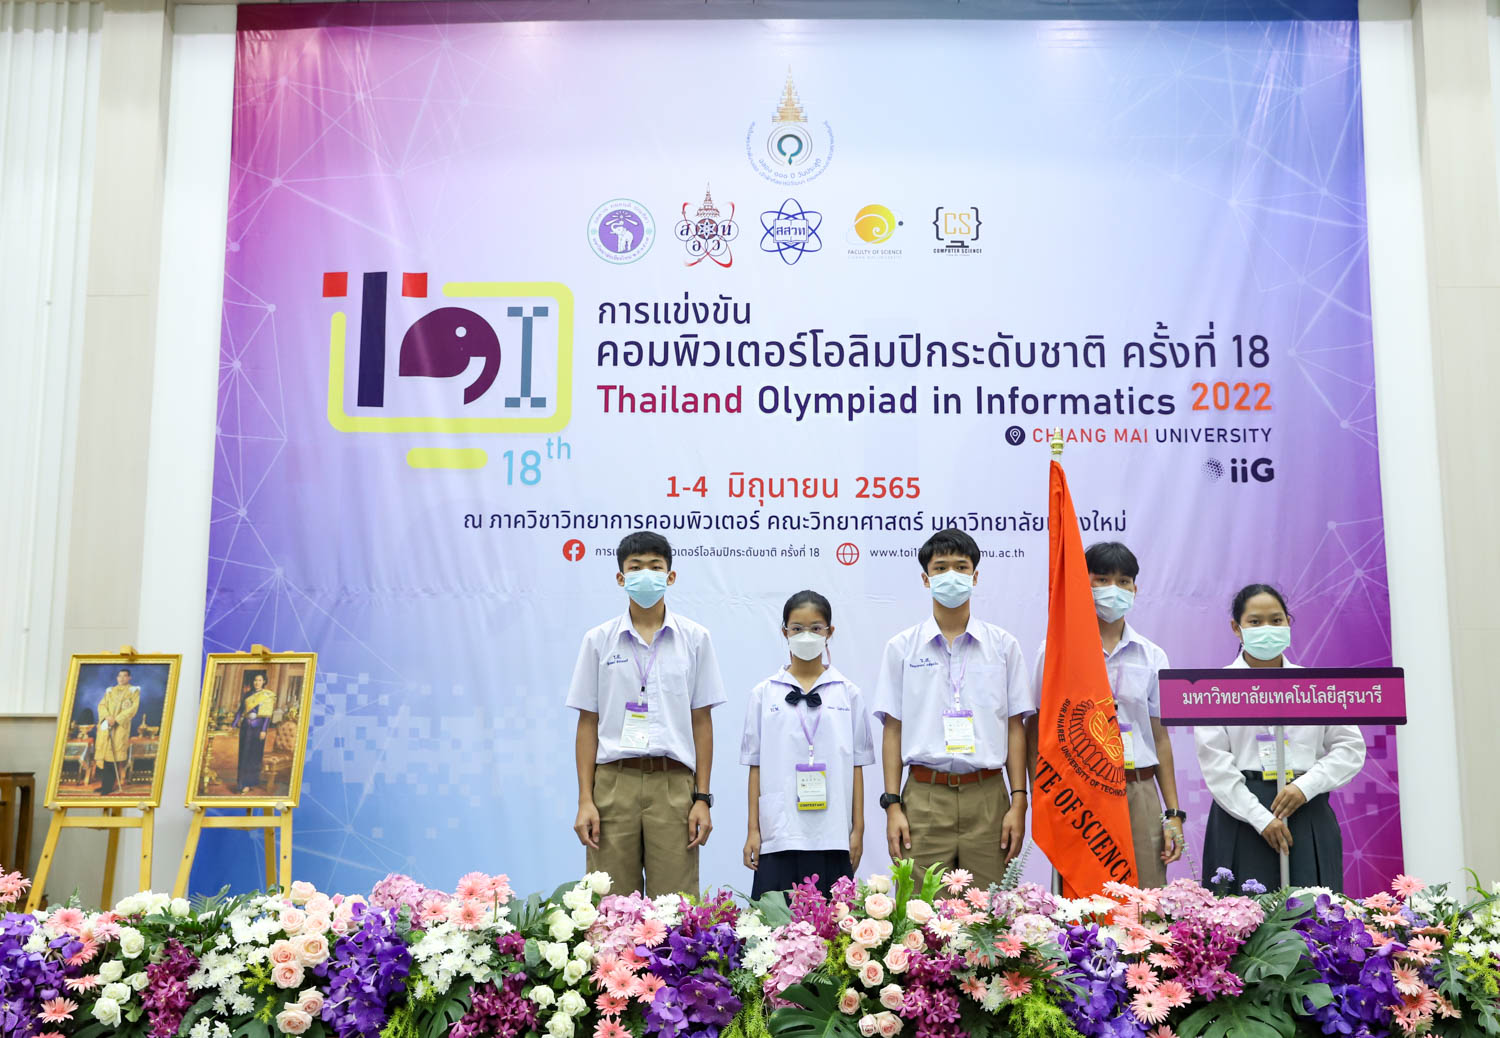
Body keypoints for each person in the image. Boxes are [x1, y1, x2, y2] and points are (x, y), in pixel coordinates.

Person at [568, 531, 725, 896]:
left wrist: (702, 798)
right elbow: (587, 723)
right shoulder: (598, 640)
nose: (646, 575)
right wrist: (585, 799)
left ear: (670, 576)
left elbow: (702, 722)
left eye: (656, 567)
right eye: (635, 567)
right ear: (620, 578)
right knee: (610, 904)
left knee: (674, 904)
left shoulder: (695, 639)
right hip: (613, 782)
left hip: (674, 784)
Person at [875, 528, 1033, 889]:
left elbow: (1015, 727)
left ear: (975, 577)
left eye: (961, 567)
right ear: (925, 578)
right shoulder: (901, 648)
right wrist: (893, 805)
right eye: (940, 567)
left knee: (990, 911)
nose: (951, 576)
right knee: (920, 912)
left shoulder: (1003, 646)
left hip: (988, 796)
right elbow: (893, 730)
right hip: (924, 797)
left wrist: (1019, 801)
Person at [1194, 584, 1366, 892]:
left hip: (1305, 807)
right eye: (1255, 622)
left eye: (1276, 620)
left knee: (1313, 912)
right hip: (1242, 815)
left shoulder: (1315, 686)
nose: (1267, 629)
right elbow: (1216, 766)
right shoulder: (1215, 689)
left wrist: (1305, 786)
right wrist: (1260, 818)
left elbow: (1350, 748)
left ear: (1289, 623)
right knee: (1241, 915)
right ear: (1236, 627)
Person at [1031, 542, 1184, 887]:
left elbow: (1160, 738)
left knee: (1146, 898)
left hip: (1138, 786)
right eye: (1101, 580)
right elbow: (1038, 729)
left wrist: (1173, 813)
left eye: (1123, 581)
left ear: (1135, 589)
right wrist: (1043, 795)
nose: (1112, 590)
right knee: (1084, 899)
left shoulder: (1153, 656)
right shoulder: (1055, 652)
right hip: (1082, 794)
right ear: (1082, 586)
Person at [741, 590, 873, 898]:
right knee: (775, 924)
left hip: (833, 834)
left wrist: (857, 829)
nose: (806, 636)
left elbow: (857, 766)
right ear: (784, 632)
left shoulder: (848, 693)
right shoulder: (764, 694)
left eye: (816, 628)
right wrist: (753, 830)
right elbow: (755, 766)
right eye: (797, 628)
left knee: (834, 922)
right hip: (779, 835)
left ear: (830, 632)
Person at [96, 668, 140, 795]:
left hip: (120, 727)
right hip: (107, 724)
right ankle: (104, 785)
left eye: (124, 676)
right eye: (119, 676)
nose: (121, 678)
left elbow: (133, 708)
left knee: (113, 756)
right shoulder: (110, 691)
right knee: (105, 756)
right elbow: (102, 705)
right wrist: (107, 717)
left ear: (129, 678)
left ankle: (109, 787)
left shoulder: (133, 691)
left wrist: (116, 719)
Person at [232, 672, 276, 793]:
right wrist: (234, 724)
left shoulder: (267, 695)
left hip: (258, 729)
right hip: (246, 727)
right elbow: (240, 711)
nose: (257, 682)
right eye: (255, 680)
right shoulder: (247, 694)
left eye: (260, 680)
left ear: (264, 682)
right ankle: (241, 783)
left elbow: (267, 716)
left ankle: (250, 782)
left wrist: (264, 730)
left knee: (254, 756)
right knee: (244, 755)